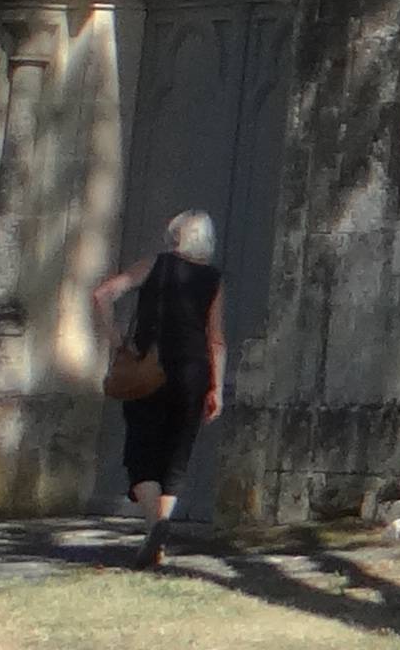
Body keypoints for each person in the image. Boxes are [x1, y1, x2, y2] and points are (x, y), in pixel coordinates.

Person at [87, 210, 227, 568]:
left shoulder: (154, 265)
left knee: (141, 456)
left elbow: (102, 294)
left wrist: (118, 341)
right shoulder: (213, 279)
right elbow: (217, 340)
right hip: (194, 373)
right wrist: (217, 388)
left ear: (175, 236)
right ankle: (157, 543)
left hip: (151, 368)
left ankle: (156, 529)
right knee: (175, 461)